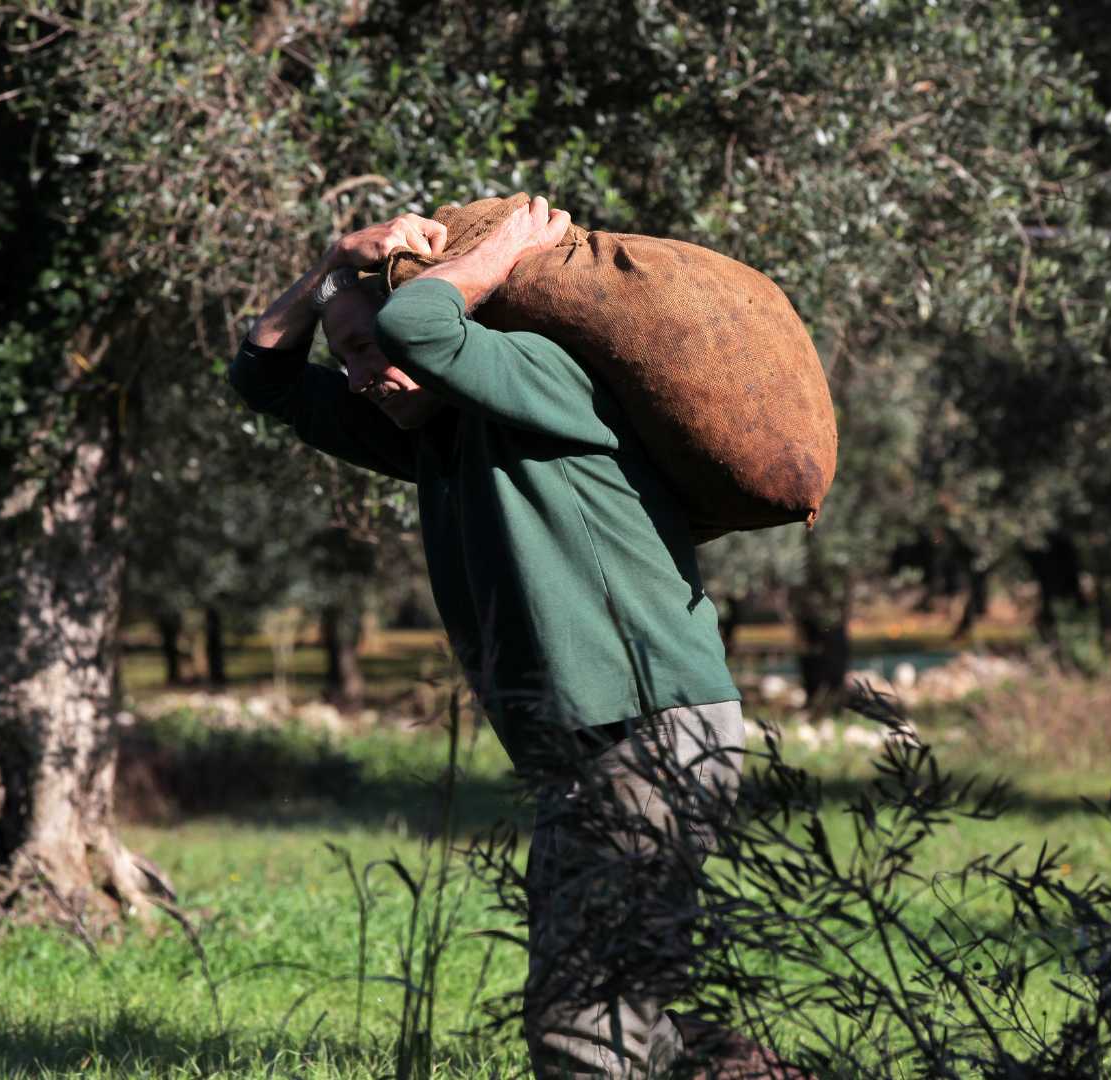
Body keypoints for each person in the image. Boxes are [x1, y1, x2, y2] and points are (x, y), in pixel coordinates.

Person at [229, 197, 799, 1078]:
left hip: (646, 728)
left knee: (580, 1026)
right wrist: (331, 266)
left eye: (369, 350)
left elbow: (421, 323)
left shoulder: (539, 377)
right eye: (347, 355)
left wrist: (498, 252)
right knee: (633, 1028)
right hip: (599, 745)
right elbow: (262, 375)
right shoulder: (434, 434)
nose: (362, 376)